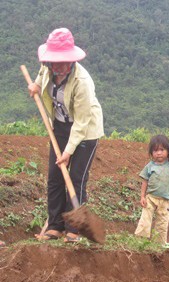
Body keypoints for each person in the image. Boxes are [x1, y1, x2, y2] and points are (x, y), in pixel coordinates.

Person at [27, 28, 104, 243]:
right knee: (55, 176)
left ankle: (74, 230)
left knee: (76, 178)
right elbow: (41, 76)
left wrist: (68, 152)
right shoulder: (48, 67)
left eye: (62, 62)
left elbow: (81, 122)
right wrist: (36, 85)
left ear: (71, 60)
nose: (57, 66)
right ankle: (55, 226)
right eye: (53, 62)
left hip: (85, 131)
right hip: (60, 127)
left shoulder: (82, 82)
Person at [134, 134, 169, 248]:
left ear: (168, 151)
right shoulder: (149, 166)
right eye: (155, 150)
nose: (159, 153)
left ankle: (159, 243)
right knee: (145, 219)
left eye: (162, 150)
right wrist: (142, 197)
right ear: (151, 153)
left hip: (165, 200)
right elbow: (145, 182)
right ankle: (140, 240)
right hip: (151, 198)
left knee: (162, 222)